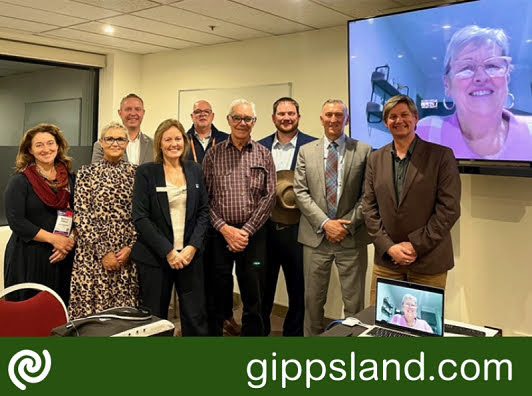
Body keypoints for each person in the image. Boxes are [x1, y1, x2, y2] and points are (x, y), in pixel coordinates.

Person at [362, 95, 461, 305]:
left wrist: (416, 245)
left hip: (429, 261)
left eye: (404, 115)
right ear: (386, 122)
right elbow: (369, 208)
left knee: (424, 330)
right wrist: (389, 247)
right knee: (382, 326)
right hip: (387, 262)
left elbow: (449, 209)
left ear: (415, 118)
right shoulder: (375, 159)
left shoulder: (441, 156)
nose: (399, 120)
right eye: (392, 116)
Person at [294, 99, 371, 337]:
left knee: (354, 304)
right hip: (315, 238)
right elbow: (300, 191)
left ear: (346, 119)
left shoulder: (364, 150)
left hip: (351, 237)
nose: (333, 120)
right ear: (321, 119)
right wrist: (326, 224)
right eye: (329, 115)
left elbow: (368, 196)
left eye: (339, 115)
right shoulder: (306, 151)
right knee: (312, 303)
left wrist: (344, 226)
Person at [203, 98, 276, 336]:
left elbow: (270, 196)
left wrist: (245, 231)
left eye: (248, 119)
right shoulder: (213, 155)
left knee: (254, 294)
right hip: (219, 236)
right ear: (228, 120)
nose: (242, 123)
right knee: (217, 292)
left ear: (254, 122)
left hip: (252, 238)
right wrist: (225, 229)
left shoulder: (264, 155)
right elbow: (205, 198)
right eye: (237, 118)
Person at [131, 119, 209, 336]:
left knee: (195, 316)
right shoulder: (146, 172)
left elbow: (204, 211)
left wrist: (192, 247)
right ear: (159, 143)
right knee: (154, 318)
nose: (173, 144)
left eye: (177, 139)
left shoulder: (194, 169)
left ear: (184, 141)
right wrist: (168, 251)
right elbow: (140, 217)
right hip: (156, 257)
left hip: (189, 256)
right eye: (168, 139)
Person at [417, 25, 532, 160]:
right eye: (466, 68)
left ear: (507, 78)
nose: (481, 77)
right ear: (447, 85)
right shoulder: (426, 132)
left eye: (492, 66)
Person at [68, 122, 139, 319]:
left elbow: (143, 215)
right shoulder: (86, 173)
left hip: (125, 255)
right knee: (92, 318)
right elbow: (81, 216)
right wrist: (104, 252)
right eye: (109, 139)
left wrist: (131, 247)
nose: (115, 143)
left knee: (123, 317)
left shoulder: (138, 173)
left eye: (120, 139)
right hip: (92, 256)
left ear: (126, 143)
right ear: (101, 143)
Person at [258, 97, 316, 336]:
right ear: (273, 118)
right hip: (264, 231)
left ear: (298, 117)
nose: (286, 118)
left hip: (299, 231)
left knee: (299, 293)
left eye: (291, 113)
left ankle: (293, 340)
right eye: (281, 114)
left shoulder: (313, 147)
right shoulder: (258, 146)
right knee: (262, 290)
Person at [4, 123, 75, 304]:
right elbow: (17, 221)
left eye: (50, 143)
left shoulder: (70, 178)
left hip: (63, 254)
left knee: (61, 311)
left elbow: (79, 213)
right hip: (28, 256)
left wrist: (68, 242)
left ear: (58, 146)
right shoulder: (20, 181)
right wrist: (54, 239)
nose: (46, 149)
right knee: (29, 313)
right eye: (39, 145)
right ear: (30, 150)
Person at [185, 99, 236, 335]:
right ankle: (198, 321)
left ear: (213, 115)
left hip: (220, 215)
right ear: (192, 116)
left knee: (221, 273)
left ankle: (224, 317)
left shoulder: (226, 139)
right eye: (198, 112)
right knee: (195, 272)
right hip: (190, 215)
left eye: (206, 112)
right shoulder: (182, 141)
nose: (202, 115)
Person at [91, 93, 154, 164]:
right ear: (120, 113)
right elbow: (96, 172)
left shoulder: (154, 145)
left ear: (143, 113)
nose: (133, 113)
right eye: (128, 109)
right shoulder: (101, 145)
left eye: (137, 109)